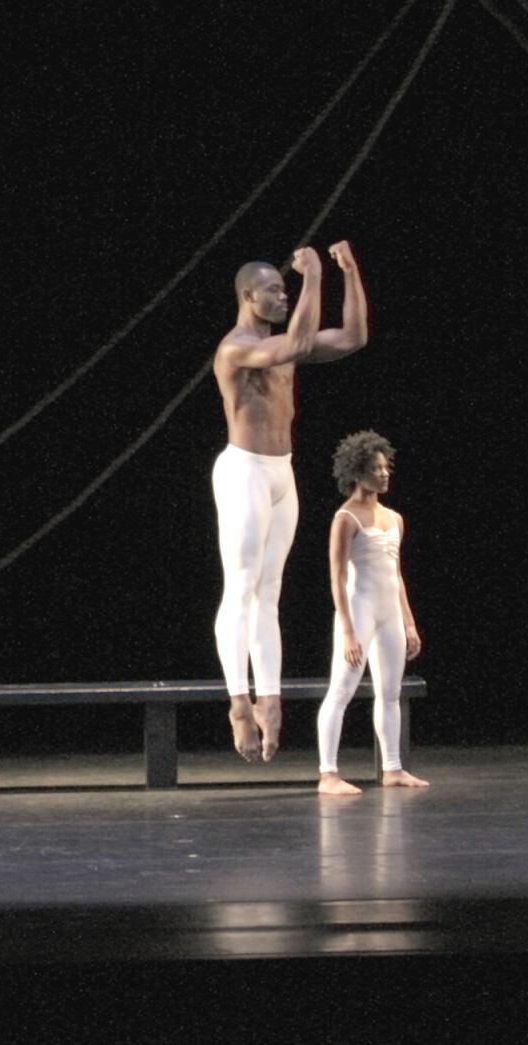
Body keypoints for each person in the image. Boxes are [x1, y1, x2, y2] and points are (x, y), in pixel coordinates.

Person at [211, 239, 368, 761]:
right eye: (274, 291)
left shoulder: (281, 342)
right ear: (247, 296)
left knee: (270, 592)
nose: (283, 297)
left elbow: (352, 338)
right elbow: (299, 344)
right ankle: (238, 701)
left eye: (286, 290)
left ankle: (270, 699)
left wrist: (347, 272)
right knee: (241, 586)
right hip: (244, 471)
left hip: (281, 472)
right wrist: (313, 277)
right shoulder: (237, 346)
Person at [315, 429, 426, 795]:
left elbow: (396, 575)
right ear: (358, 471)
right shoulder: (346, 518)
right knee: (341, 690)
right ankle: (328, 774)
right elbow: (337, 577)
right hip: (359, 612)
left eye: (385, 467)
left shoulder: (394, 518)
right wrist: (347, 630)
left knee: (390, 692)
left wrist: (409, 622)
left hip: (389, 614)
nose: (384, 473)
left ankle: (393, 767)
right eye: (376, 468)